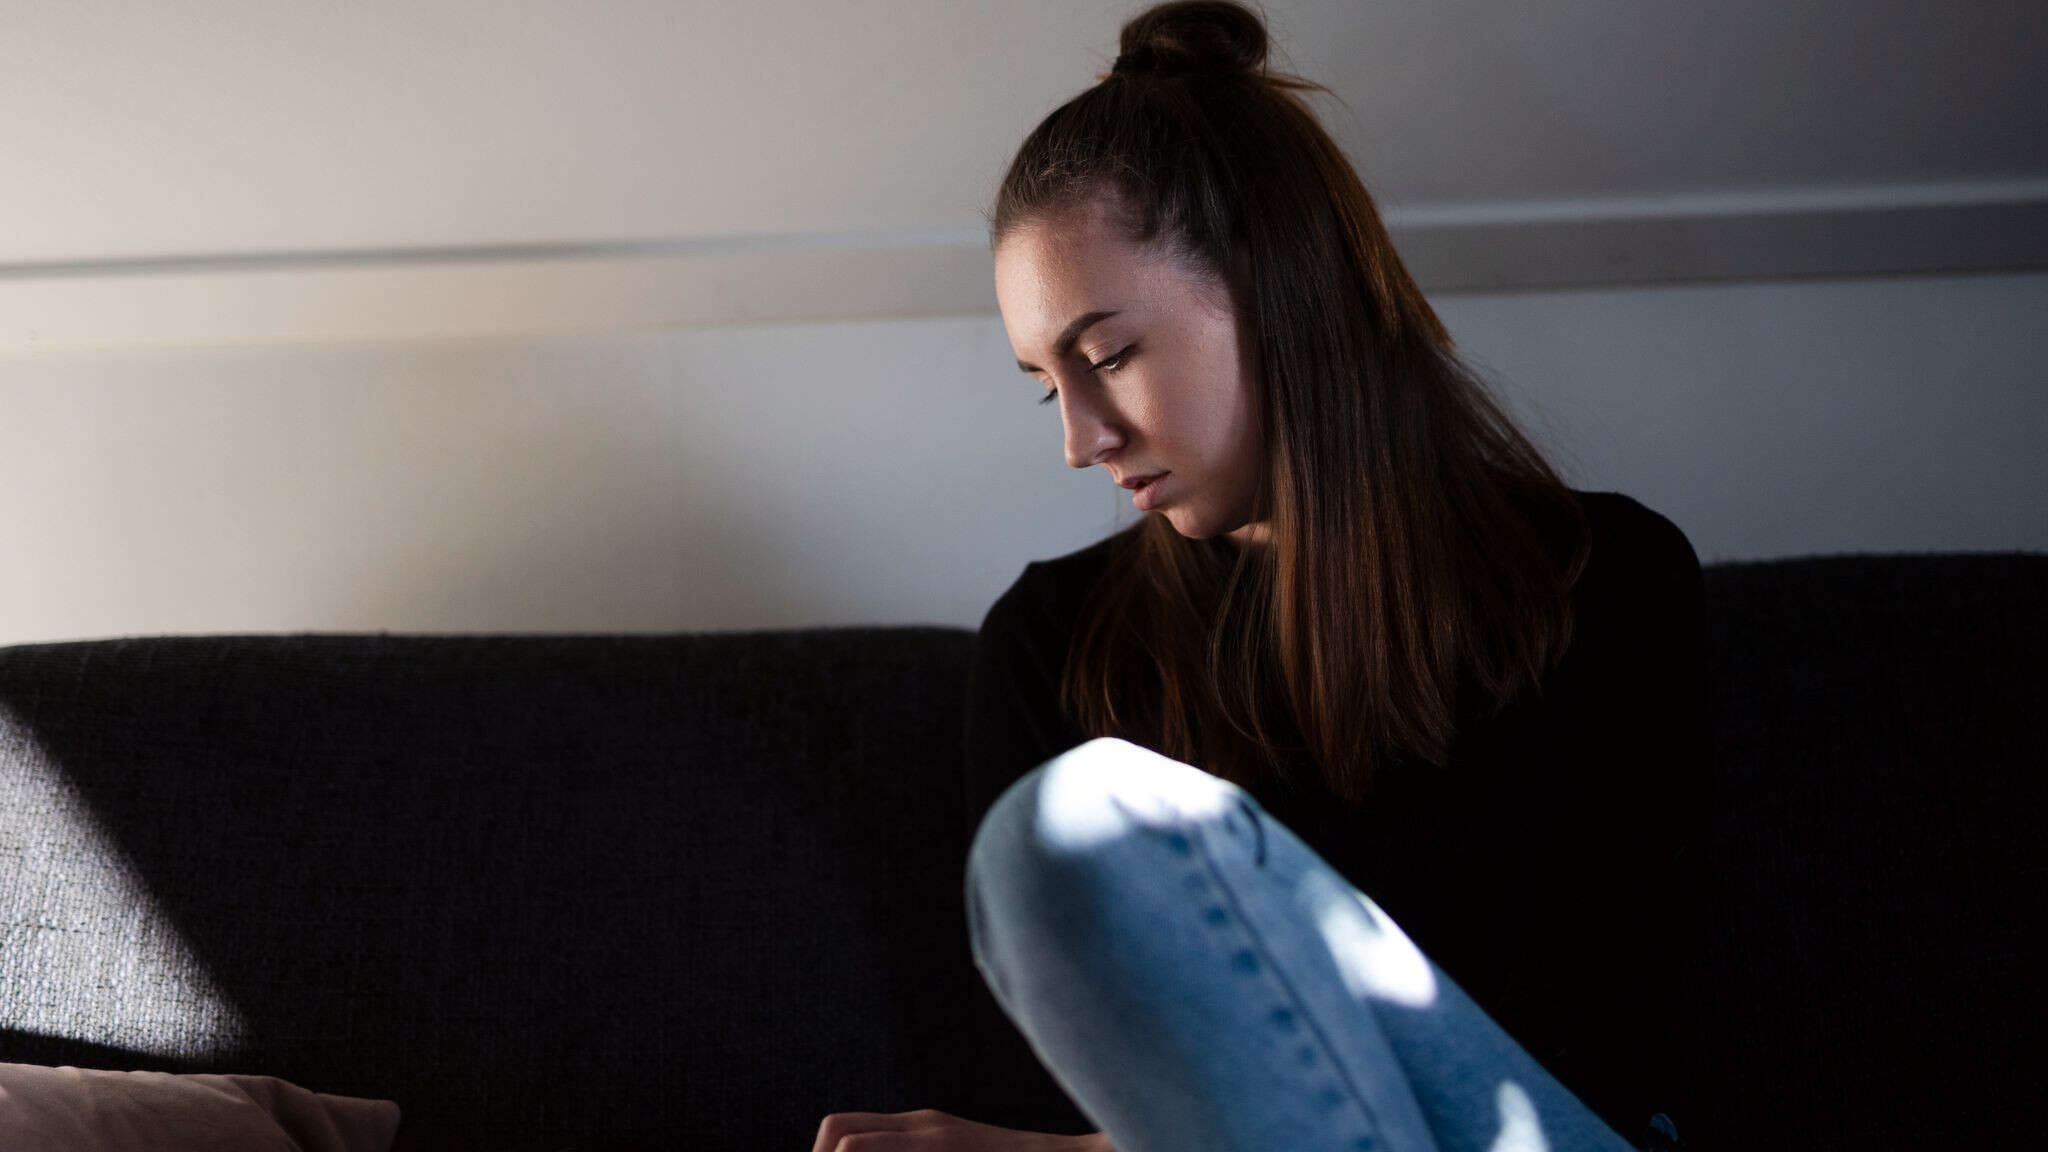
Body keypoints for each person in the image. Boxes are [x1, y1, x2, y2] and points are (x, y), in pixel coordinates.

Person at [812, 3, 1707, 1150]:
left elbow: (1602, 1034)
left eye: (1107, 357)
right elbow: (1064, 1092)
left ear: (1278, 289)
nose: (1079, 440)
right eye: (1046, 386)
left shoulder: (1599, 579)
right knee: (1056, 834)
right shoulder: (1052, 638)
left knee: (1082, 817)